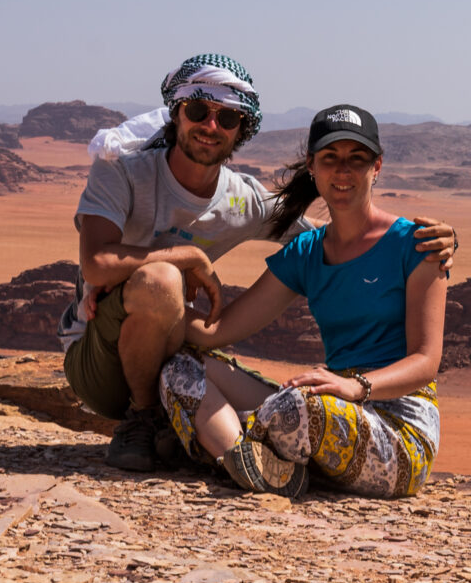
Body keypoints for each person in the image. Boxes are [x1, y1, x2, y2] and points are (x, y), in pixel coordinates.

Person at [59, 58, 456, 473]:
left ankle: (243, 457)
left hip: (383, 410)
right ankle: (196, 442)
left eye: (227, 116)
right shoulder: (121, 170)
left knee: (275, 401)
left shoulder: (246, 202)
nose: (211, 126)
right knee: (171, 322)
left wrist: (433, 242)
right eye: (198, 111)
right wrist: (144, 288)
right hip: (102, 357)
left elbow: (350, 238)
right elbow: (106, 269)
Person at [154, 103, 446, 500]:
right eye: (330, 159)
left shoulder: (416, 244)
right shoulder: (306, 252)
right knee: (183, 368)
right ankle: (255, 465)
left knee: (296, 407)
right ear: (312, 165)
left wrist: (355, 386)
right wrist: (150, 307)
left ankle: (228, 447)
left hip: (398, 428)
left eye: (356, 160)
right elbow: (219, 331)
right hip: (329, 400)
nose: (343, 171)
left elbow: (425, 362)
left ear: (377, 167)